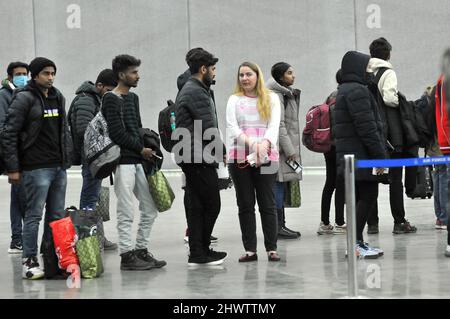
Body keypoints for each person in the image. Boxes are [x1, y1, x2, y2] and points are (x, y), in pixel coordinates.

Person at [2, 57, 73, 279]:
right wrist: (13, 168)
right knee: (33, 216)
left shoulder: (57, 96)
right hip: (35, 167)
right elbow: (9, 133)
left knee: (56, 216)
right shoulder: (24, 98)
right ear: (34, 76)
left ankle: (53, 260)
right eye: (46, 73)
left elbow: (63, 131)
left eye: (53, 73)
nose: (50, 77)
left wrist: (66, 159)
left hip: (57, 167)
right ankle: (29, 261)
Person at [102, 54, 166, 270]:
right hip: (122, 162)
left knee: (149, 207)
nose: (138, 76)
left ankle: (141, 250)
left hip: (139, 160)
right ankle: (126, 256)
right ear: (122, 75)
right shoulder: (110, 98)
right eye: (133, 72)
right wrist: (141, 148)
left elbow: (136, 127)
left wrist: (146, 146)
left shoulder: (133, 98)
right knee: (126, 210)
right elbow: (117, 133)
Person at [174, 48, 227, 266]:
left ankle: (198, 252)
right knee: (212, 204)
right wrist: (222, 150)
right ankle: (201, 250)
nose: (214, 73)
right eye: (213, 69)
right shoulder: (196, 91)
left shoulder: (190, 88)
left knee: (196, 205)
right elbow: (208, 126)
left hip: (190, 155)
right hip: (198, 156)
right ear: (203, 69)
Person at [333, 51, 386, 259]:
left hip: (350, 157)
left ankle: (356, 242)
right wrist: (380, 158)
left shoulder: (344, 90)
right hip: (362, 157)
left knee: (357, 199)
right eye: (366, 68)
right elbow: (368, 128)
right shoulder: (358, 91)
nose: (369, 72)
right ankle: (354, 243)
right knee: (368, 195)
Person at [227, 61, 281, 262]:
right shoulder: (234, 99)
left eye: (248, 74)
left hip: (267, 157)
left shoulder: (272, 98)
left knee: (268, 203)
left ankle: (271, 248)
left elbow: (274, 125)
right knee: (246, 204)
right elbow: (233, 127)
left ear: (257, 76)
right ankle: (250, 249)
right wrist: (252, 144)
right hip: (239, 158)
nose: (244, 78)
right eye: (241, 75)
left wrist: (264, 145)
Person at [367, 37, 417, 235]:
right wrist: (400, 101)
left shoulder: (366, 73)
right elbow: (389, 98)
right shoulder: (388, 72)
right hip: (390, 134)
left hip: (371, 131)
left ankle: (372, 224)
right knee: (395, 179)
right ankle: (399, 222)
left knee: (372, 179)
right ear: (388, 54)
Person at [68, 69, 118, 251]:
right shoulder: (85, 100)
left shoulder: (95, 99)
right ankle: (87, 240)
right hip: (91, 157)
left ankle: (96, 237)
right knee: (89, 199)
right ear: (99, 86)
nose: (111, 94)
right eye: (109, 90)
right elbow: (84, 129)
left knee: (94, 198)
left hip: (95, 157)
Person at [266, 62, 301, 239]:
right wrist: (290, 150)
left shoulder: (285, 93)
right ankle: (278, 226)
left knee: (282, 183)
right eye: (289, 73)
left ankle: (281, 225)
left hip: (284, 148)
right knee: (278, 184)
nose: (293, 76)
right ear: (280, 77)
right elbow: (279, 125)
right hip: (280, 149)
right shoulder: (277, 96)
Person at [0, 61, 29, 254]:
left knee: (24, 197)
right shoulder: (4, 95)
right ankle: (17, 239)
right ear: (10, 77)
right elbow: (3, 126)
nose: (22, 77)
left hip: (29, 153)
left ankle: (23, 238)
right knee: (19, 197)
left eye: (25, 73)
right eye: (18, 74)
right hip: (15, 154)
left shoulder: (28, 93)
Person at [318, 69, 346, 235]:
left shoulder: (331, 96)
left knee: (330, 183)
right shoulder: (342, 96)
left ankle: (325, 222)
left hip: (328, 146)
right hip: (339, 146)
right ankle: (340, 222)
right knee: (340, 183)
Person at [432, 48, 450, 256]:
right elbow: (445, 114)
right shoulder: (446, 80)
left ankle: (442, 216)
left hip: (444, 140)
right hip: (446, 141)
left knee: (441, 176)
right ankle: (444, 217)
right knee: (444, 178)